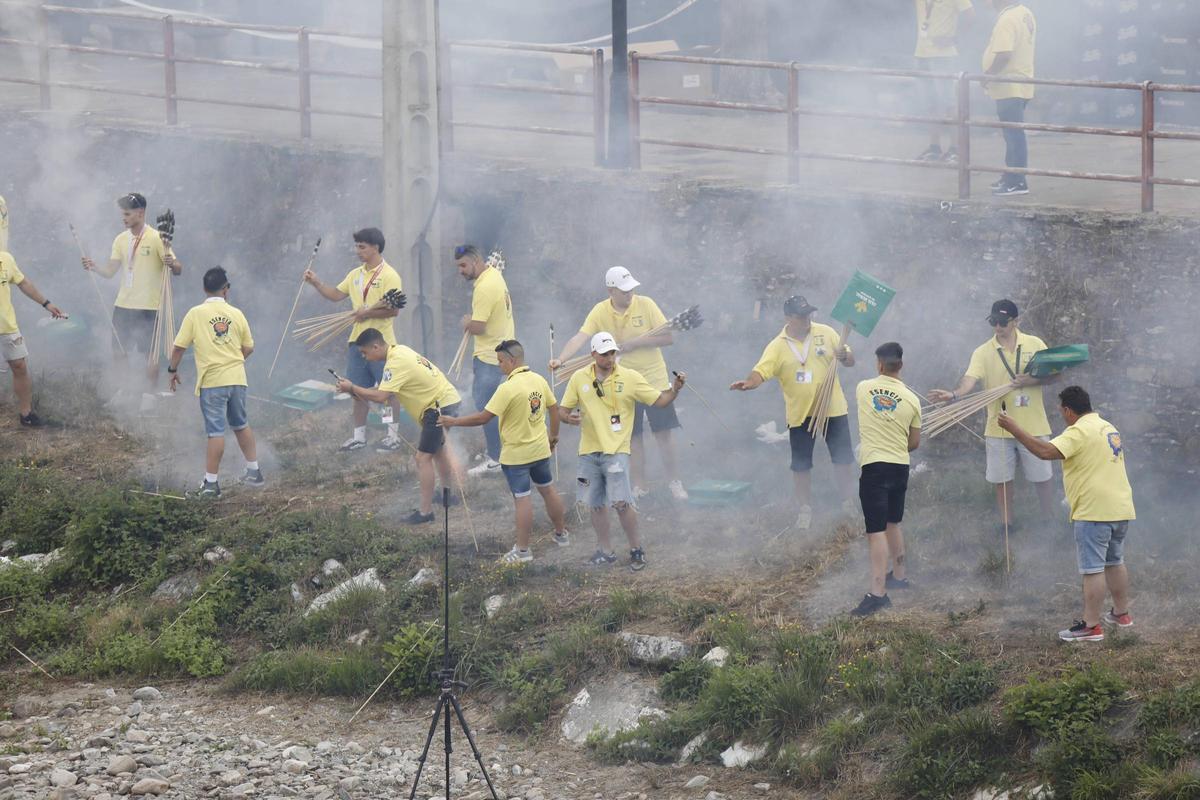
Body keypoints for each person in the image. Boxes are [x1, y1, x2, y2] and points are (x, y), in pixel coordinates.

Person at [998, 386, 1135, 643]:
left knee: (1092, 569)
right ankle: (1121, 613)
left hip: (1094, 510)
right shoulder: (1108, 427)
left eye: (1061, 411)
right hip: (1121, 507)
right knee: (1115, 561)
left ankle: (1092, 626)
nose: (1061, 416)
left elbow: (1045, 452)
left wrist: (1013, 427)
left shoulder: (1078, 431)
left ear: (1068, 411)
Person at [550, 266, 688, 501]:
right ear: (610, 290)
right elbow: (580, 337)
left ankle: (675, 482)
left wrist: (637, 343)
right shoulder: (600, 311)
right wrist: (561, 359)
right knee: (631, 437)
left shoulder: (646, 304)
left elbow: (668, 337)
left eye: (631, 289)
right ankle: (639, 485)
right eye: (623, 291)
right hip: (621, 384)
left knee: (664, 434)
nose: (629, 294)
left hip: (653, 379)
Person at [559, 332, 685, 571]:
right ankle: (606, 552)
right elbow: (562, 410)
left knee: (621, 503)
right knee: (595, 504)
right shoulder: (578, 378)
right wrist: (568, 418)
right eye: (605, 353)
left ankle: (636, 549)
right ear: (593, 354)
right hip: (588, 452)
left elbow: (660, 401)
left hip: (617, 451)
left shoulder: (630, 377)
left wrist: (675, 389)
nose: (610, 357)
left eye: (613, 353)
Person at [928, 299, 1057, 530]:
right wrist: (954, 395)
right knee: (1002, 478)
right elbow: (970, 379)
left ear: (1016, 321)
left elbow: (1055, 376)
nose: (997, 327)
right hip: (998, 426)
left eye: (1002, 322)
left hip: (1033, 424)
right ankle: (1007, 525)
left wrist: (1031, 380)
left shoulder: (1035, 344)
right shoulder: (983, 352)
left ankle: (1048, 520)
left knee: (1042, 474)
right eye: (993, 321)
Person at [730, 295, 855, 530]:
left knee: (842, 458)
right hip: (800, 414)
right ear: (788, 318)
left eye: (808, 314)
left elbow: (850, 359)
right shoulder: (777, 345)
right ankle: (804, 510)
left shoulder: (826, 332)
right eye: (801, 316)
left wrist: (845, 356)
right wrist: (748, 383)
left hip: (833, 408)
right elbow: (761, 371)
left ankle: (848, 503)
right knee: (801, 464)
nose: (806, 319)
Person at [439, 339, 569, 563]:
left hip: (517, 456)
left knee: (522, 499)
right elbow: (554, 410)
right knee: (548, 490)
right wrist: (553, 437)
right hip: (540, 451)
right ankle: (562, 535)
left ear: (512, 360)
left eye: (500, 361)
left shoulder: (507, 388)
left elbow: (483, 417)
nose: (499, 366)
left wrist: (453, 421)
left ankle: (523, 551)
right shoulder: (538, 379)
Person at [335, 328, 464, 524]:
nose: (364, 357)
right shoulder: (400, 350)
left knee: (422, 458)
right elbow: (384, 390)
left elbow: (381, 396)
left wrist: (352, 388)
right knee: (438, 452)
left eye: (364, 352)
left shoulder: (395, 362)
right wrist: (357, 390)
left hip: (437, 408)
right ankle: (448, 496)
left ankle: (425, 513)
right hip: (447, 400)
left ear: (376, 346)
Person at [303, 228, 404, 452]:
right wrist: (317, 282)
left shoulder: (389, 275)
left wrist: (367, 313)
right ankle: (359, 436)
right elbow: (336, 295)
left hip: (381, 345)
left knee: (387, 393)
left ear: (376, 247)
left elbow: (394, 311)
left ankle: (392, 435)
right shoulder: (355, 274)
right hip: (356, 343)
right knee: (357, 390)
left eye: (362, 246)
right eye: (357, 246)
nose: (357, 251)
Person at [168, 267, 262, 498]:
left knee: (215, 432)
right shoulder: (237, 314)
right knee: (241, 424)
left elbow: (179, 346)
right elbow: (249, 347)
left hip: (213, 381)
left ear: (204, 288)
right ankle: (254, 472)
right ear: (226, 289)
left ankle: (211, 485)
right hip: (238, 379)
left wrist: (172, 369)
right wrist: (235, 360)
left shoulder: (195, 313)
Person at [851, 342, 922, 617]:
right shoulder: (913, 399)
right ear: (901, 365)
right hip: (899, 466)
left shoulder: (863, 388)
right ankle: (900, 575)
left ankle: (878, 592)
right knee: (893, 521)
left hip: (874, 467)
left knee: (876, 529)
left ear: (879, 364)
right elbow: (914, 442)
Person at [81, 192, 183, 383]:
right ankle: (123, 390)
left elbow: (178, 268)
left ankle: (150, 397)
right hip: (123, 304)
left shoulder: (157, 238)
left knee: (150, 356)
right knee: (119, 351)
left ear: (140, 213)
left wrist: (171, 263)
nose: (124, 218)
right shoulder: (120, 239)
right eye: (123, 214)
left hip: (149, 307)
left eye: (127, 214)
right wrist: (95, 267)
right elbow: (111, 271)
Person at [454, 245, 515, 477]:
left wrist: (467, 322)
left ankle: (496, 459)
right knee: (491, 405)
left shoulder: (485, 286)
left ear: (477, 261)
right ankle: (497, 450)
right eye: (458, 266)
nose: (460, 270)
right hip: (501, 349)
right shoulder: (493, 275)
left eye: (463, 265)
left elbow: (479, 326)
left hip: (491, 355)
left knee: (487, 407)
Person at [0, 248, 68, 426]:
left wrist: (46, 303)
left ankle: (26, 415)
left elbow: (23, 283)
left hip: (6, 325)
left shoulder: (6, 258)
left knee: (20, 366)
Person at [982, 0, 1036, 196]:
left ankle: (1018, 180)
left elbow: (1004, 54)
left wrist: (988, 75)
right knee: (1011, 134)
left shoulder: (1007, 18)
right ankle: (1010, 174)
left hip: (1009, 84)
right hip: (1020, 82)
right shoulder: (1024, 12)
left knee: (1014, 135)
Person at [913, 0, 974, 162]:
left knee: (949, 103)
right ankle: (934, 148)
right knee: (931, 103)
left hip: (943, 55)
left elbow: (970, 15)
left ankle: (955, 149)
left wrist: (954, 39)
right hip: (921, 53)